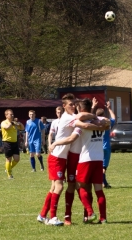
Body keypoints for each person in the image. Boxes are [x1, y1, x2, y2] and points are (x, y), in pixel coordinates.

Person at [37, 93, 108, 226]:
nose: (73, 106)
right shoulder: (71, 119)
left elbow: (85, 118)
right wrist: (98, 120)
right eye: (71, 104)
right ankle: (66, 217)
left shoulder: (75, 118)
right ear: (64, 106)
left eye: (75, 104)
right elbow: (81, 124)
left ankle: (44, 215)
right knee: (67, 186)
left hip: (74, 157)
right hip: (68, 156)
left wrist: (95, 115)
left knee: (72, 186)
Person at [92, 98, 116, 189]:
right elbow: (114, 118)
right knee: (103, 167)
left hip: (96, 146)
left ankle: (104, 182)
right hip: (106, 146)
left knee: (99, 166)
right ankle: (101, 181)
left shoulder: (94, 122)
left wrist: (93, 107)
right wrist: (109, 108)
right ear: (104, 114)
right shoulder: (106, 121)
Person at [1, 109, 25, 179]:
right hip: (7, 142)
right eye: (11, 114)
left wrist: (20, 123)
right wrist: (12, 123)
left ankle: (8, 168)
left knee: (17, 159)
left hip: (14, 142)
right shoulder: (4, 122)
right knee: (8, 159)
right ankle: (9, 175)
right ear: (6, 115)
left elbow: (22, 128)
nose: (12, 115)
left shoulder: (14, 123)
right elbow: (7, 128)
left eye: (12, 114)